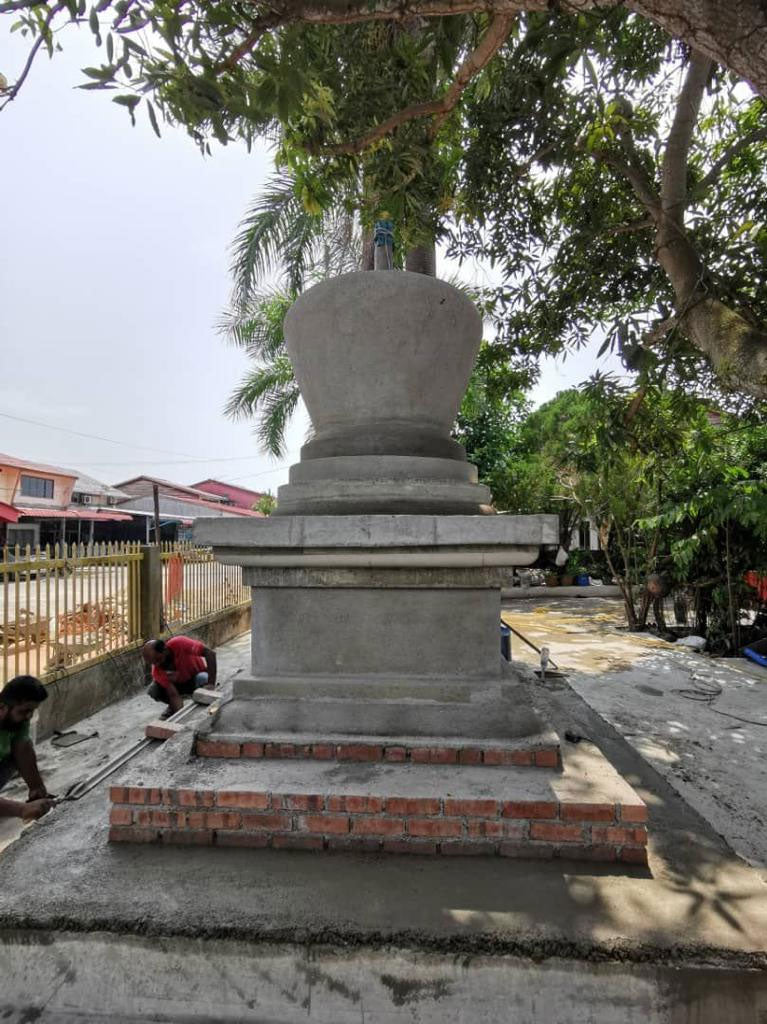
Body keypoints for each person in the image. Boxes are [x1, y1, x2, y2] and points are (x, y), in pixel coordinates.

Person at [0, 676, 54, 821]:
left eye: (32, 711)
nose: (29, 716)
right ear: (2, 707)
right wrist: (21, 809)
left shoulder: (16, 720)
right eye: (24, 711)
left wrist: (36, 787)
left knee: (18, 752)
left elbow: (23, 750)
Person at [142, 636, 217, 719]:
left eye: (158, 659)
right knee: (154, 690)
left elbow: (210, 653)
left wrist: (211, 684)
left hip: (196, 678)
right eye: (153, 662)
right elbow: (173, 695)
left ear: (165, 650)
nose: (157, 665)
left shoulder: (180, 643)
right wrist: (180, 718)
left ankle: (206, 698)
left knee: (203, 678)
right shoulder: (156, 670)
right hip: (179, 686)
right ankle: (172, 707)